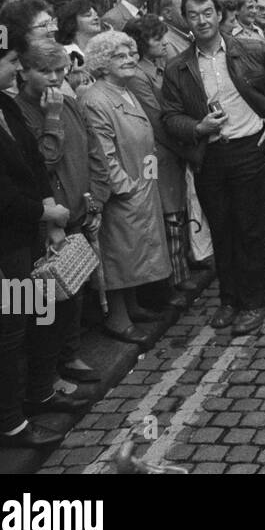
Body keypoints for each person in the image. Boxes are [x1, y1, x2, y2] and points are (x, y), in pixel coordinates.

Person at [0, 22, 72, 448]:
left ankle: (38, 394)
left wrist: (48, 212)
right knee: (7, 331)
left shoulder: (2, 102)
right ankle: (11, 423)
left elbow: (35, 162)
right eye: (11, 62)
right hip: (0, 249)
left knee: (40, 319)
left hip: (29, 237)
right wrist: (43, 210)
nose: (18, 69)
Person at [161, 0, 265, 337]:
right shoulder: (178, 66)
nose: (202, 20)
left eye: (207, 12)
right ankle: (230, 299)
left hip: (247, 149)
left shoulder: (250, 50)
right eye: (194, 15)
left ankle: (254, 303)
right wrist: (198, 127)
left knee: (250, 229)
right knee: (221, 230)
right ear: (186, 20)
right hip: (209, 154)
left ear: (219, 14)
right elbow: (169, 116)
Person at [15, 39, 109, 385]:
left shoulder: (70, 102)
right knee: (47, 296)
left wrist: (96, 200)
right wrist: (51, 118)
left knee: (75, 287)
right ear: (23, 72)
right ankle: (50, 370)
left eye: (60, 70)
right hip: (47, 219)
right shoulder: (19, 111)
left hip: (79, 211)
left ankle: (70, 355)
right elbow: (42, 163)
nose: (54, 78)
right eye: (45, 71)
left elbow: (94, 153)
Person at [81, 31, 173, 346]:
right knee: (119, 256)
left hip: (141, 181)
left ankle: (132, 307)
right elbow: (102, 153)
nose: (130, 59)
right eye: (120, 56)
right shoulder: (96, 98)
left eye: (131, 53)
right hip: (122, 192)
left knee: (133, 254)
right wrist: (126, 188)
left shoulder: (123, 89)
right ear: (101, 65)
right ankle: (117, 319)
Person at [123, 16, 194, 296]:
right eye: (157, 39)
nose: (164, 42)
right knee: (168, 212)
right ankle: (172, 279)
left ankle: (180, 270)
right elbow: (157, 118)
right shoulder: (139, 75)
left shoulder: (159, 66)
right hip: (160, 154)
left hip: (171, 150)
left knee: (176, 209)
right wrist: (185, 147)